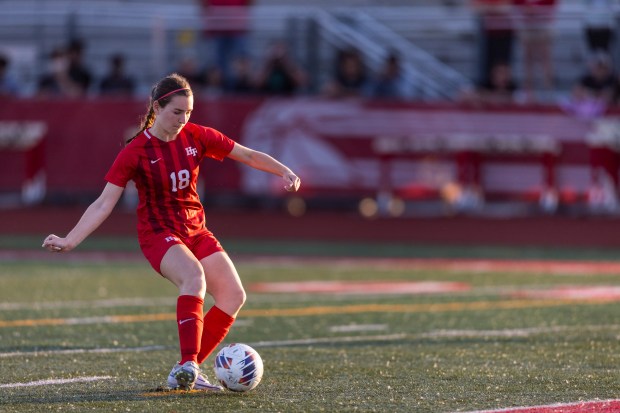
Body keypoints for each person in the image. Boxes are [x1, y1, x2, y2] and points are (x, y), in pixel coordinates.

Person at [41, 73, 301, 391]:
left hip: (196, 229)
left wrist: (284, 170)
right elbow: (103, 203)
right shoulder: (135, 151)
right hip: (158, 234)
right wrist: (70, 239)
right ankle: (190, 363)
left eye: (188, 112)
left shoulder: (196, 136)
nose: (183, 119)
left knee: (234, 295)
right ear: (157, 107)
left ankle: (185, 370)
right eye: (176, 112)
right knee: (194, 276)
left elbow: (246, 154)